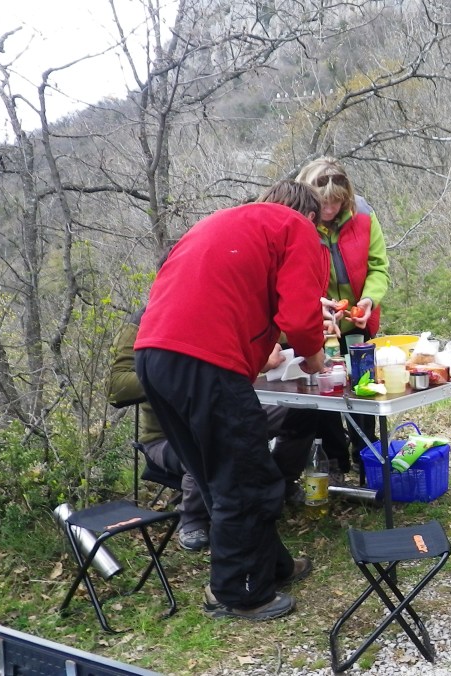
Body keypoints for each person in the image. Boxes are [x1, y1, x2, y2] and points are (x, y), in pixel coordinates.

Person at [134, 179, 328, 621]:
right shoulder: (295, 225)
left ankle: (270, 566)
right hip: (204, 361)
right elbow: (300, 315)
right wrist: (314, 354)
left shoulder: (224, 223)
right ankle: (238, 593)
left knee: (217, 473)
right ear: (310, 217)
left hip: (154, 356)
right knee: (246, 478)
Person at [109, 309, 317, 552]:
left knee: (301, 410)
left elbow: (272, 333)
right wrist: (178, 372)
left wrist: (305, 332)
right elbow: (117, 387)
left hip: (228, 413)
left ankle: (281, 481)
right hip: (166, 437)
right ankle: (192, 519)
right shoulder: (143, 321)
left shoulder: (213, 309)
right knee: (207, 438)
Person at [293, 157, 391, 476]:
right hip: (318, 323)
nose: (331, 209)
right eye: (324, 202)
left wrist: (368, 300)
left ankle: (367, 455)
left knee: (363, 390)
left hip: (358, 323)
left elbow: (378, 267)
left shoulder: (363, 215)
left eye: (337, 201)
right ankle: (333, 459)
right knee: (324, 393)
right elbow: (292, 277)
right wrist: (314, 308)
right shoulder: (299, 220)